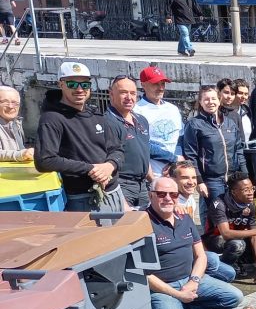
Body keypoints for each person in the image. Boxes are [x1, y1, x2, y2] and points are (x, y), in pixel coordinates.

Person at [145, 177, 242, 309]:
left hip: (189, 279)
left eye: (173, 194)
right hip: (162, 287)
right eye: (161, 194)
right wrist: (177, 294)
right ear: (150, 196)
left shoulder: (184, 217)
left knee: (235, 297)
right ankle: (173, 307)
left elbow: (201, 256)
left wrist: (194, 281)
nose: (168, 198)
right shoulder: (142, 223)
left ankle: (180, 306)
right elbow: (146, 275)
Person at [35, 62, 126, 213]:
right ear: (61, 85)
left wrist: (109, 166)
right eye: (72, 84)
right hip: (84, 198)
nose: (79, 89)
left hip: (114, 193)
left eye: (85, 84)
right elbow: (45, 160)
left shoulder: (96, 114)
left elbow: (117, 149)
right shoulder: (51, 118)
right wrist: (91, 169)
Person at [182, 84, 245, 224]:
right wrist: (199, 181)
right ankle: (210, 243)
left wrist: (244, 175)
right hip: (211, 180)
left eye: (213, 98)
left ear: (219, 99)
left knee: (233, 215)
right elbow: (190, 155)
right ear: (200, 102)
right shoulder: (194, 125)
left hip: (232, 177)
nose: (210, 102)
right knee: (215, 217)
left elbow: (238, 149)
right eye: (206, 99)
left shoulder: (229, 123)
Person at [167, 160, 236, 283]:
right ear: (173, 180)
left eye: (193, 177)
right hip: (178, 259)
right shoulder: (169, 203)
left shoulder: (190, 200)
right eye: (184, 178)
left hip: (191, 252)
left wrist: (202, 256)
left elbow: (193, 235)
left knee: (229, 273)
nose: (191, 182)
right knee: (213, 260)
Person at [106, 75, 153, 208]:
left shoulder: (142, 120)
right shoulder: (107, 122)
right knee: (125, 226)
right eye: (123, 92)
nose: (129, 97)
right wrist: (120, 198)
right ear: (111, 94)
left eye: (132, 93)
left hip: (143, 185)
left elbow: (144, 155)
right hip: (122, 185)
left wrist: (154, 183)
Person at [135, 66, 182, 176]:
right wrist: (172, 158)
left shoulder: (173, 109)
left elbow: (180, 139)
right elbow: (143, 144)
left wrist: (175, 163)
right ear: (143, 85)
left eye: (162, 84)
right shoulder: (137, 111)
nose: (160, 88)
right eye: (155, 84)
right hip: (153, 173)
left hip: (175, 171)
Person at [0, 85, 31, 161]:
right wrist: (20, 154)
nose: (10, 106)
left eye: (15, 103)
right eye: (5, 102)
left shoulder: (16, 124)